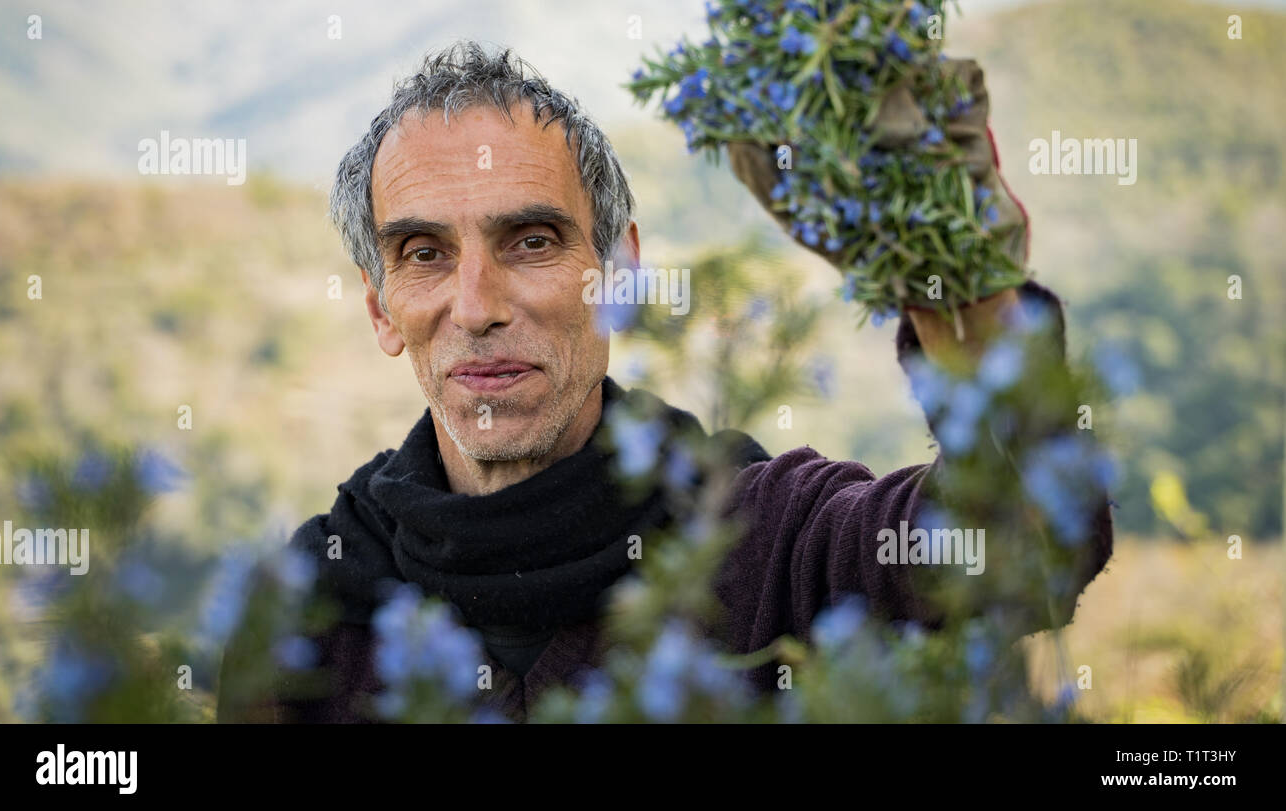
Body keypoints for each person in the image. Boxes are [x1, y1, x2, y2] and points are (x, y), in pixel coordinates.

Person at [216, 39, 1113, 723]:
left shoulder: (769, 540)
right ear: (381, 309)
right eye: (424, 253)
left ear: (617, 274)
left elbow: (1024, 551)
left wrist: (972, 303)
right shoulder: (310, 600)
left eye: (532, 241)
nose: (477, 304)